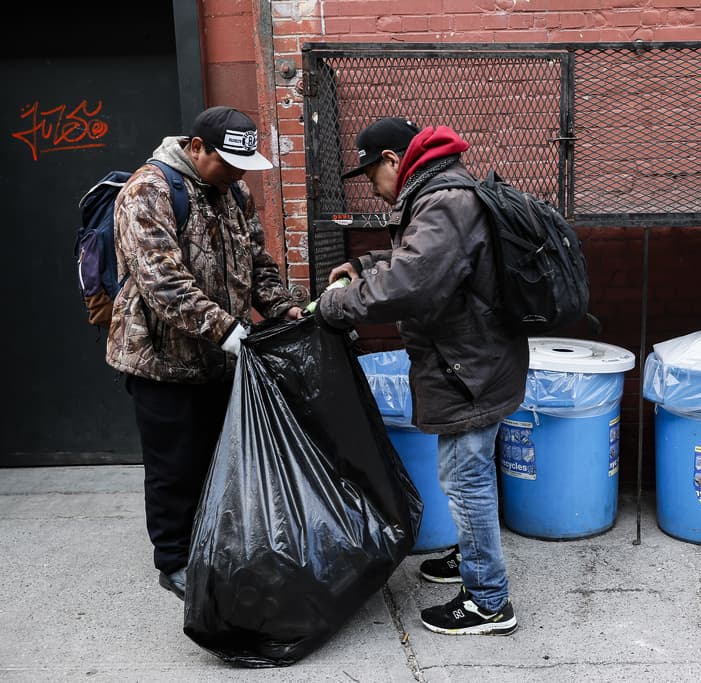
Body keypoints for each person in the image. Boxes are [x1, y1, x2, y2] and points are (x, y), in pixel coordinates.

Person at [316, 117, 528, 636]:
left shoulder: (443, 201)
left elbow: (412, 283)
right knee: (467, 475)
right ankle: (472, 557)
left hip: (469, 367)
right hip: (475, 359)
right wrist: (366, 263)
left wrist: (336, 305)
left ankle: (488, 602)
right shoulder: (444, 192)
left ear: (392, 160)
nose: (374, 186)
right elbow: (428, 261)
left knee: (465, 478)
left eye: (371, 175)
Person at [106, 105, 304, 600]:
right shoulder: (148, 191)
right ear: (197, 148)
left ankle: (212, 543)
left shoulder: (232, 190)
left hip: (219, 357)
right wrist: (228, 330)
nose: (238, 173)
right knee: (174, 467)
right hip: (162, 362)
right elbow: (163, 283)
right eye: (228, 163)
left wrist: (283, 310)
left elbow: (257, 261)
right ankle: (174, 560)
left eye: (244, 165)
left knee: (217, 458)